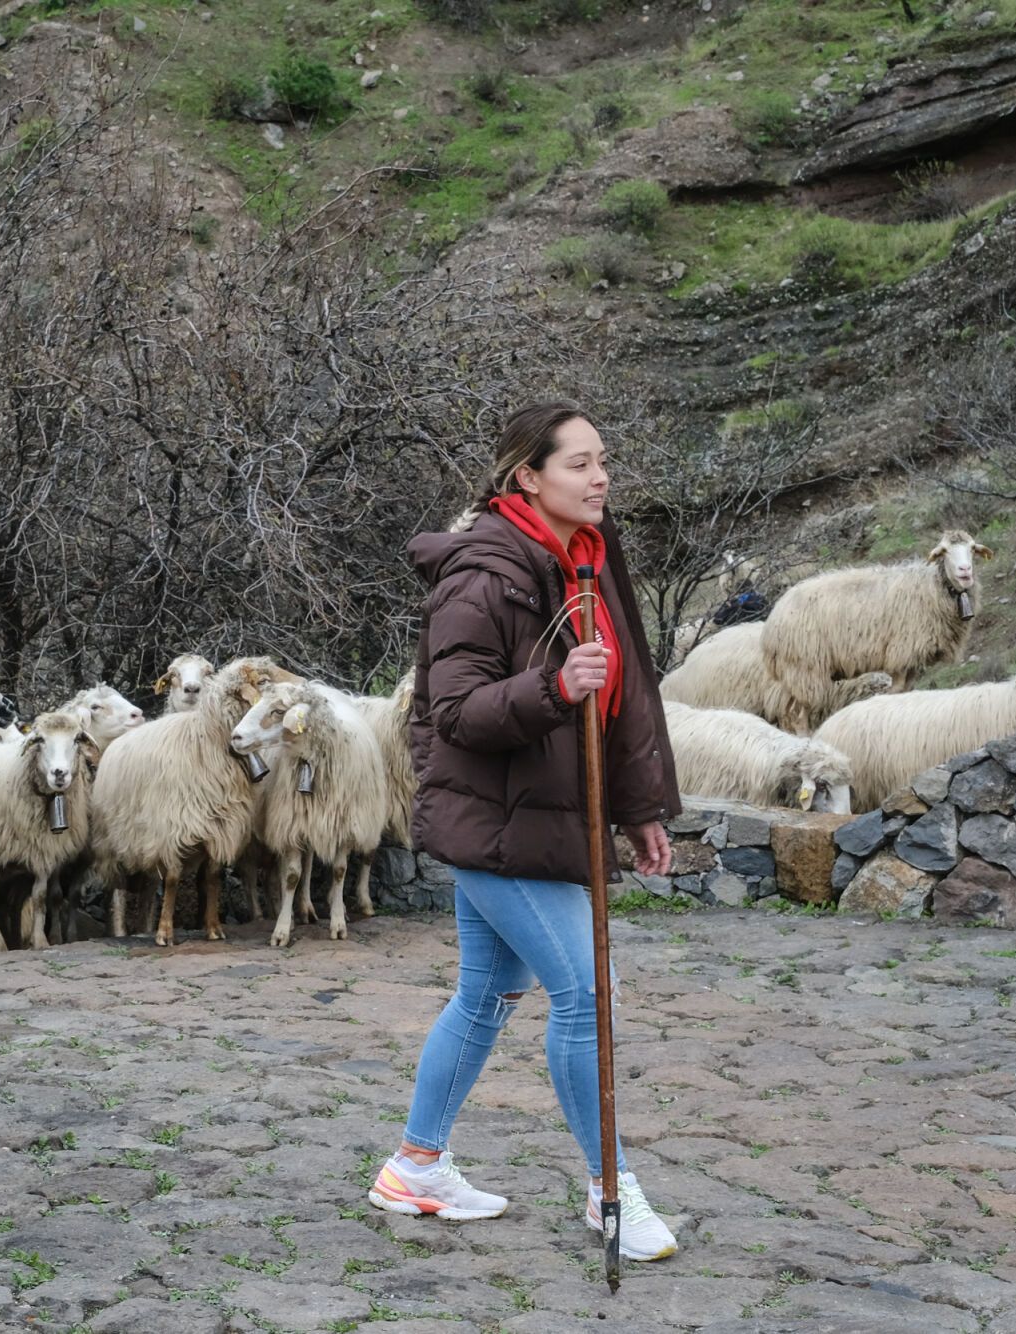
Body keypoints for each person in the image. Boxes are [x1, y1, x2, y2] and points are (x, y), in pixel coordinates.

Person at [366, 402, 682, 1263]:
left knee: (487, 995)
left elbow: (625, 700)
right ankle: (609, 1189)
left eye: (603, 460)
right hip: (491, 823)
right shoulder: (484, 573)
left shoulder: (586, 560)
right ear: (527, 479)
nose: (601, 477)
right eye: (580, 464)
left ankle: (415, 1166)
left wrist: (639, 807)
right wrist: (551, 688)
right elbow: (458, 711)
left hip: (541, 823)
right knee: (586, 992)